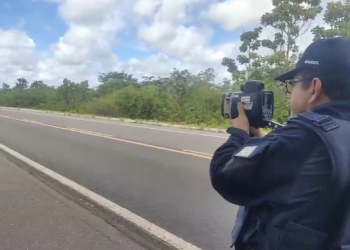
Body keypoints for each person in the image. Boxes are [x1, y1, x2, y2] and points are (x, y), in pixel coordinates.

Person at [210, 37, 350, 250]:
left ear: (314, 88)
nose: (290, 93)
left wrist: (238, 133)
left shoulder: (305, 135)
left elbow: (226, 175)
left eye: (292, 85)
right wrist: (262, 142)